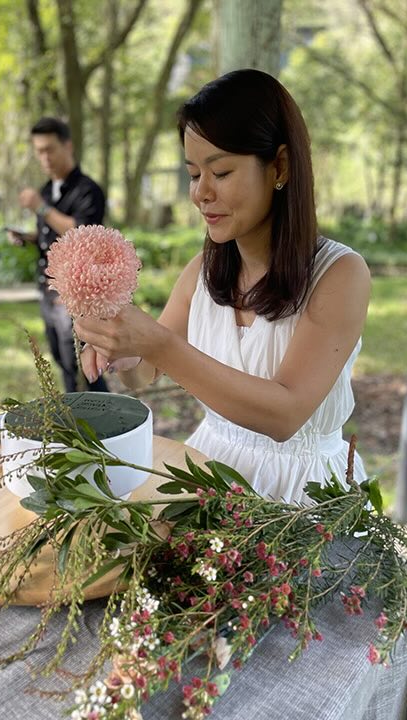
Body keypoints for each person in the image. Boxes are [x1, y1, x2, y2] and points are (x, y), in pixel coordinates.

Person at [73, 70, 371, 503]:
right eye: (194, 175)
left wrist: (157, 344)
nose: (201, 194)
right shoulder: (202, 272)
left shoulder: (340, 274)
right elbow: (145, 373)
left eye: (222, 172)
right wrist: (118, 346)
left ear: (280, 166)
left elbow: (285, 413)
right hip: (208, 473)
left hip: (304, 494)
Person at [8, 117, 109, 394]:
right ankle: (75, 420)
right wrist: (28, 237)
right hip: (47, 290)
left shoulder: (88, 190)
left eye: (50, 149)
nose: (44, 157)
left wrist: (41, 208)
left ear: (68, 146)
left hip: (74, 295)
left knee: (84, 365)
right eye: (39, 151)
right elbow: (51, 237)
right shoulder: (46, 190)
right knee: (62, 359)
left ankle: (109, 421)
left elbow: (81, 232)